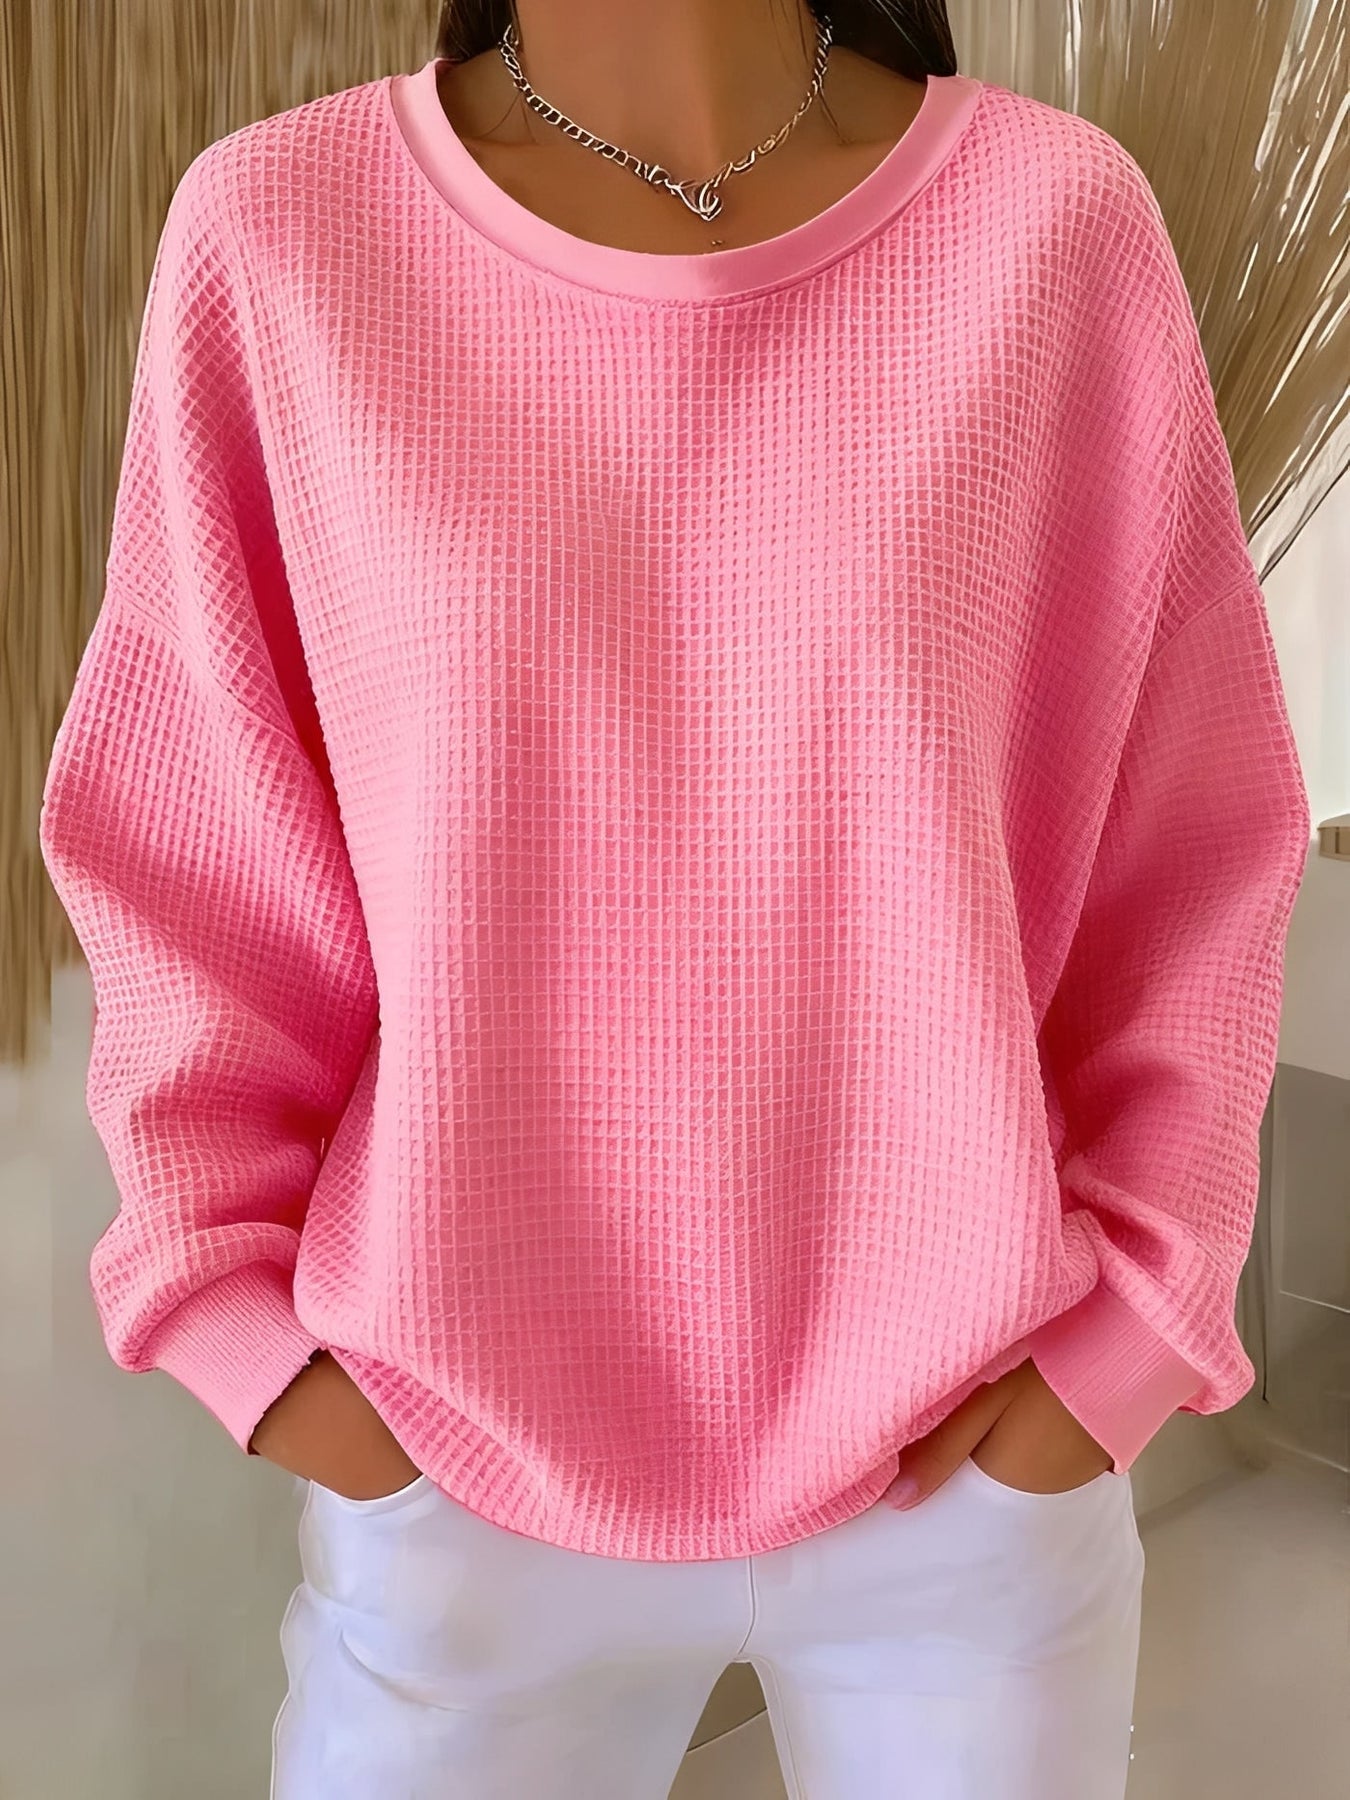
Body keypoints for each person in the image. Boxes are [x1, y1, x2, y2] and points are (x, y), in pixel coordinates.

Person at [37, 2, 1311, 1795]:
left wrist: (1118, 1346)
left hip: (966, 1472)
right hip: (456, 1476)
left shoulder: (1049, 227)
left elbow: (1184, 841)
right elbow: (194, 848)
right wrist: (245, 1335)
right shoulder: (283, 234)